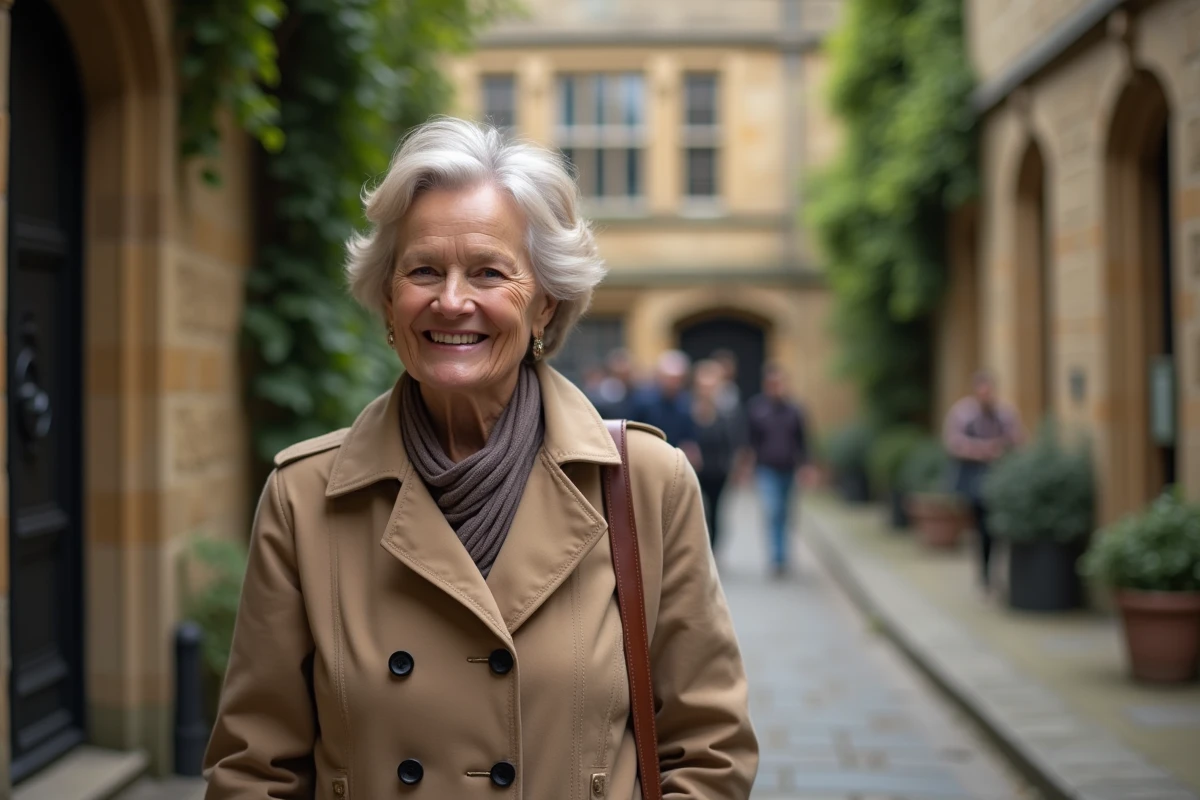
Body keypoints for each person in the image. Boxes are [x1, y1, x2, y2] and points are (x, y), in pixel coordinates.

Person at [204, 118, 758, 799]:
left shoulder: (644, 482)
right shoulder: (305, 497)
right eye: (424, 271)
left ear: (545, 305)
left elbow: (710, 753)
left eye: (490, 272)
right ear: (387, 297)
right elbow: (253, 771)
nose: (453, 300)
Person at [943, 371, 1025, 593]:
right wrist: (982, 450)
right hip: (973, 478)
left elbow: (1017, 440)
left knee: (993, 527)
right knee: (981, 526)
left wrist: (1000, 448)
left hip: (999, 476)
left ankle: (992, 573)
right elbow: (953, 443)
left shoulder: (1005, 413)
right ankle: (985, 574)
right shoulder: (963, 413)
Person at [746, 365, 809, 576]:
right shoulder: (757, 409)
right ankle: (776, 559)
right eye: (773, 384)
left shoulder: (795, 410)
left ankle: (783, 556)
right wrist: (745, 466)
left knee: (785, 512)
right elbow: (749, 441)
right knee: (772, 510)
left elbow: (803, 441)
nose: (777, 388)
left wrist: (807, 467)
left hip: (789, 468)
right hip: (766, 468)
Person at [692, 360, 746, 550]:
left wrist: (737, 467)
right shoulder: (688, 411)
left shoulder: (726, 414)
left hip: (718, 472)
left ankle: (711, 551)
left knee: (715, 512)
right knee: (695, 512)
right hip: (693, 472)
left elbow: (733, 442)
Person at [629, 350, 702, 468]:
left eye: (677, 379)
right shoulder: (642, 401)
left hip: (676, 461)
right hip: (647, 459)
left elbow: (690, 436)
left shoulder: (686, 402)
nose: (673, 383)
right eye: (669, 378)